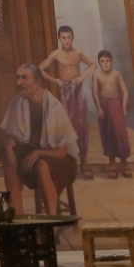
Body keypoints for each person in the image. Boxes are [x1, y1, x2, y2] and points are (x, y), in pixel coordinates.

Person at [0, 63, 79, 216]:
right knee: (9, 159)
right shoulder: (17, 103)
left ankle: (53, 222)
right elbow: (12, 136)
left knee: (42, 165)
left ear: (38, 83)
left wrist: (39, 153)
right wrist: (9, 147)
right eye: (18, 78)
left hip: (61, 160)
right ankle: (18, 217)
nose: (19, 83)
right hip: (33, 155)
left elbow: (62, 152)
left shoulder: (54, 108)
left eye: (24, 78)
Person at [40, 26, 96, 179]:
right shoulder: (56, 54)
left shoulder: (78, 53)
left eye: (69, 37)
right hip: (65, 92)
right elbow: (39, 69)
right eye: (63, 37)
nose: (66, 40)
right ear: (59, 39)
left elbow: (93, 65)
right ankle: (70, 164)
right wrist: (56, 81)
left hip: (78, 92)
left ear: (73, 37)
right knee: (67, 126)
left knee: (81, 125)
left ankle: (84, 163)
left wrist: (81, 78)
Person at [91, 50, 133, 179]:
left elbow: (125, 91)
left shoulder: (116, 74)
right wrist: (99, 108)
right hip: (104, 106)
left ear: (112, 61)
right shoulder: (97, 76)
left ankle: (124, 163)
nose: (105, 64)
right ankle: (112, 164)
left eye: (107, 61)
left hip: (116, 104)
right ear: (99, 63)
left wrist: (123, 107)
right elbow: (95, 93)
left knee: (120, 133)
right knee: (108, 133)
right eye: (102, 61)